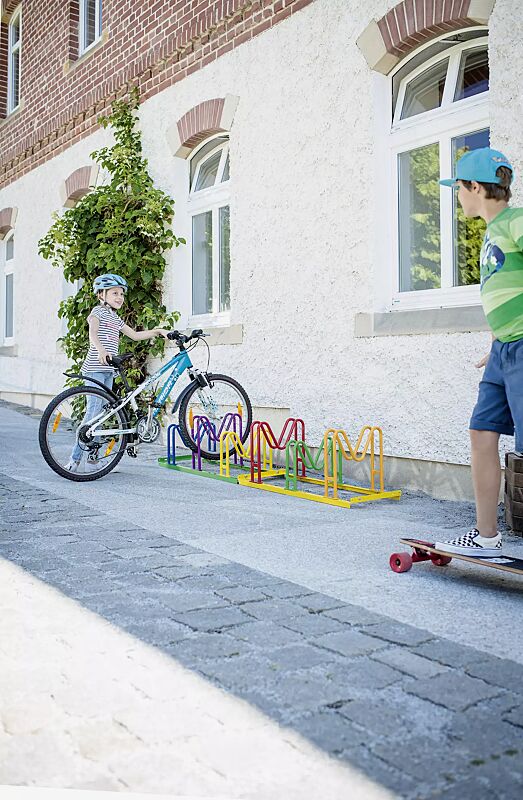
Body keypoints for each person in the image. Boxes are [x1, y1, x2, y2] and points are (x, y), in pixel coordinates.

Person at [435, 147, 523, 556]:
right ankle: (487, 536)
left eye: (458, 188)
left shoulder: (515, 221)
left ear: (474, 187)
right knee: (481, 431)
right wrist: (496, 343)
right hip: (503, 352)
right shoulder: (491, 232)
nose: (458, 196)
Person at [67, 273, 168, 471]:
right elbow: (92, 333)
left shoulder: (115, 318)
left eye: (121, 294)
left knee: (102, 415)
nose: (119, 297)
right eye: (114, 293)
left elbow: (136, 335)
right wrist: (101, 350)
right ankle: (74, 459)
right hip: (95, 368)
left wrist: (157, 331)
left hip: (108, 371)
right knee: (93, 412)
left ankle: (92, 458)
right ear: (101, 295)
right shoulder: (97, 312)